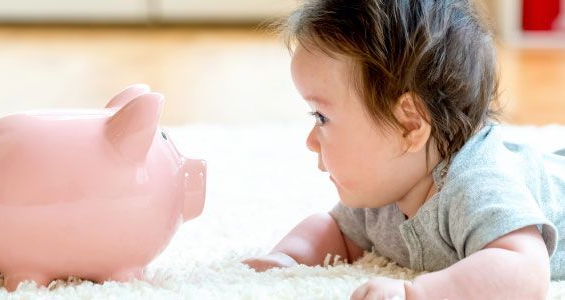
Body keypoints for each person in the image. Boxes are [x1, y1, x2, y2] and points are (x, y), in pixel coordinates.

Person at [242, 0, 565, 299]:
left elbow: (525, 269)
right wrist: (287, 258)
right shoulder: (386, 185)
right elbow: (337, 232)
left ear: (409, 125)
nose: (311, 140)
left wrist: (418, 293)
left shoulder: (478, 183)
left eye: (322, 117)